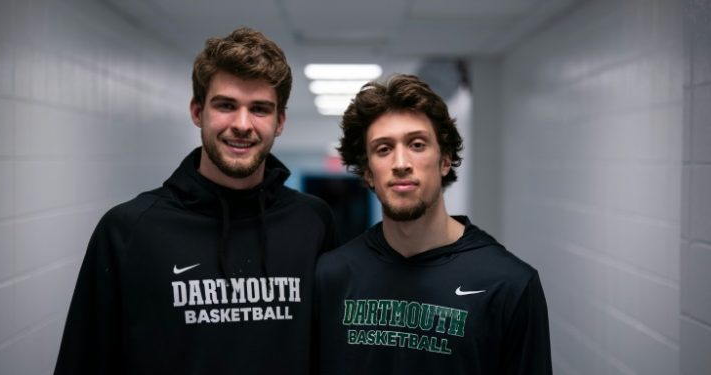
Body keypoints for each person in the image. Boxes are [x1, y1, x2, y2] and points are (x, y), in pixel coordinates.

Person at [55, 27, 335, 375]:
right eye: (226, 105)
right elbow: (84, 362)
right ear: (197, 112)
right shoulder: (128, 231)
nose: (242, 124)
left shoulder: (312, 222)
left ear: (280, 122)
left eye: (259, 109)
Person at [315, 74, 551, 374]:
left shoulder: (508, 284)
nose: (400, 163)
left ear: (444, 160)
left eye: (416, 144)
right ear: (368, 172)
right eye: (383, 149)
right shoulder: (331, 276)